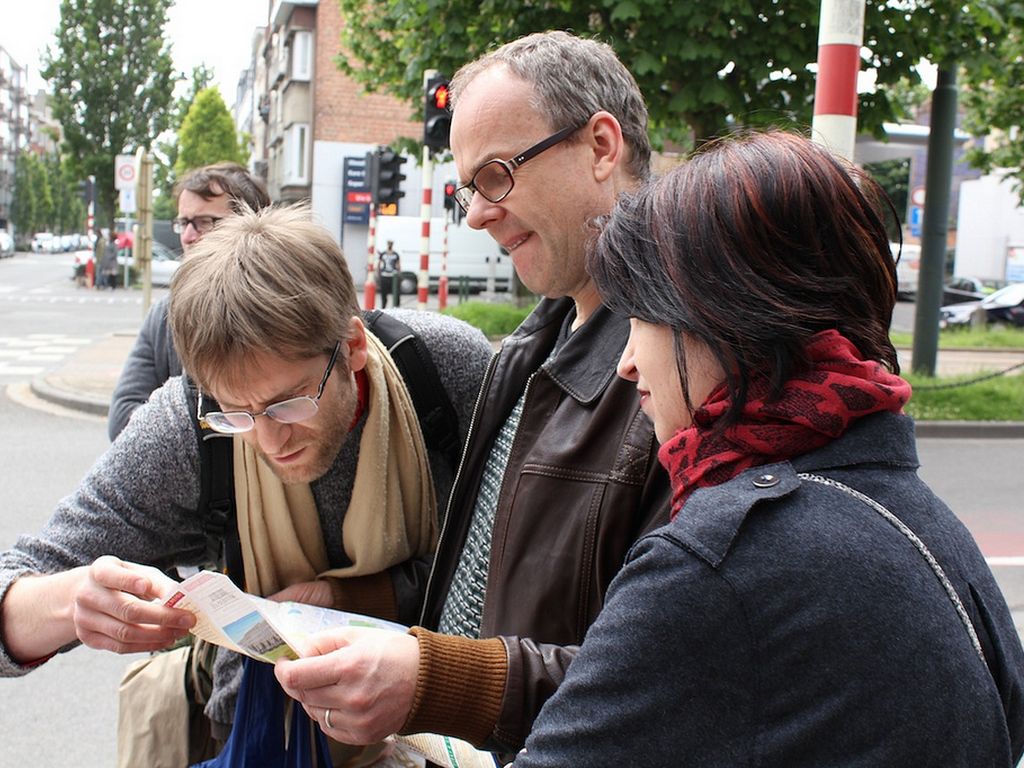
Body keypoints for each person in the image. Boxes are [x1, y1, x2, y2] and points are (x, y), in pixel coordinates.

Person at [501, 130, 1024, 766]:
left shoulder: (715, 564)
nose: (627, 363)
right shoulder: (926, 522)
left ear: (727, 317)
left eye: (644, 317)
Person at [274, 30, 670, 760]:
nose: (477, 214)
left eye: (496, 175)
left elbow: (666, 678)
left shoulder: (680, 377)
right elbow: (492, 578)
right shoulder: (530, 349)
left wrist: (435, 683)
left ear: (601, 146)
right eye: (468, 189)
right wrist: (356, 608)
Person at [0, 205, 493, 760]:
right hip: (266, 732)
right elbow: (14, 586)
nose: (268, 439)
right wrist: (71, 600)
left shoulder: (446, 372)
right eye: (237, 412)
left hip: (447, 727)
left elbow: (520, 576)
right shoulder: (189, 424)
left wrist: (356, 598)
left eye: (288, 403)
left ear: (352, 346)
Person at [107, 162, 271, 440]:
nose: (188, 236)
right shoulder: (164, 315)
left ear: (253, 224)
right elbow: (123, 418)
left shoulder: (286, 309)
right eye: (183, 223)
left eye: (204, 222)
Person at [377, 240, 401, 308]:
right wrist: (379, 273)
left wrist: (399, 273)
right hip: (384, 275)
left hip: (393, 276)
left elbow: (398, 264)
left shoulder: (395, 254)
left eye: (391, 244)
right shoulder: (383, 254)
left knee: (396, 293)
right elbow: (379, 264)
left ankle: (396, 306)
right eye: (389, 244)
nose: (390, 245)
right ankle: (383, 306)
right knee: (383, 293)